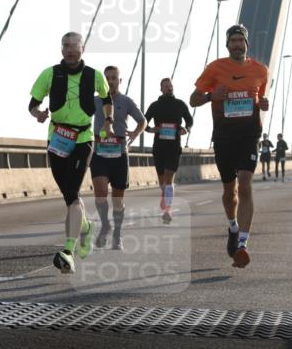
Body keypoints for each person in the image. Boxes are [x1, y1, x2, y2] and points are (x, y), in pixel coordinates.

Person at [29, 32, 113, 274]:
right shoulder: (50, 73)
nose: (69, 50)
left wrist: (108, 119)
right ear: (61, 49)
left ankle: (68, 250)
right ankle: (85, 226)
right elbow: (32, 104)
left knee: (73, 193)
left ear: (82, 48)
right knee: (67, 193)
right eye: (65, 46)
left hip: (83, 139)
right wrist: (39, 114)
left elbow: (106, 98)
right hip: (57, 138)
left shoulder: (94, 75)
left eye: (73, 45)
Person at [190, 24, 269, 268]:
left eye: (240, 40)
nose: (237, 44)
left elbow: (260, 100)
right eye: (233, 41)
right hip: (224, 136)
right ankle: (233, 227)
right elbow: (193, 99)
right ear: (227, 45)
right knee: (229, 191)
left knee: (245, 184)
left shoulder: (260, 70)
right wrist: (210, 96)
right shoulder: (215, 68)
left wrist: (263, 104)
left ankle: (243, 244)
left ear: (247, 44)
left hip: (249, 135)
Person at [91, 65, 146, 248]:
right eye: (107, 78)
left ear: (119, 81)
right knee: (99, 193)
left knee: (117, 199)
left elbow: (142, 120)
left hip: (119, 154)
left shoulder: (126, 101)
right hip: (99, 153)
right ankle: (105, 225)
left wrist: (136, 133)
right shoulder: (95, 101)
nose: (110, 81)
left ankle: (117, 234)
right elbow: (80, 117)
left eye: (113, 78)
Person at [144, 77, 193, 226]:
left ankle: (168, 210)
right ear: (161, 89)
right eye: (165, 86)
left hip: (174, 146)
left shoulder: (180, 104)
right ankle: (165, 195)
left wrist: (186, 128)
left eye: (170, 85)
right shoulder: (155, 105)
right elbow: (143, 121)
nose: (169, 88)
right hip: (159, 146)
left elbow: (189, 120)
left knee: (169, 179)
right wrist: (151, 129)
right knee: (162, 181)